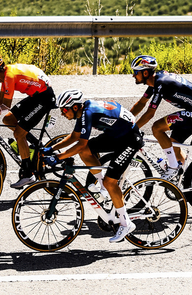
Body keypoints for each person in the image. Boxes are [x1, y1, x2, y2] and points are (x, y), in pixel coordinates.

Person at [51, 89, 144, 243]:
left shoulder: (88, 113)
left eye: (64, 110)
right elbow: (75, 136)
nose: (62, 113)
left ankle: (126, 223)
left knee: (110, 182)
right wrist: (51, 148)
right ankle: (103, 187)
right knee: (86, 151)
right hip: (117, 134)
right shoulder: (84, 111)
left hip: (130, 140)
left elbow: (80, 144)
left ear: (75, 107)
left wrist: (58, 157)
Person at [0, 54, 56, 189]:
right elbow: (0, 101)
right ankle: (35, 146)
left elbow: (5, 107)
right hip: (37, 95)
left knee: (19, 133)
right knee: (8, 119)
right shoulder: (5, 74)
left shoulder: (9, 76)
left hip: (44, 98)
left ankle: (28, 174)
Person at [127, 54, 192, 178]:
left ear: (145, 73)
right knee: (173, 144)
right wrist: (125, 118)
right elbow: (141, 104)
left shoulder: (161, 83)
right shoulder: (155, 81)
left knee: (157, 128)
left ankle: (173, 167)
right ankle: (185, 179)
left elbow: (150, 113)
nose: (133, 75)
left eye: (135, 72)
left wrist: (132, 129)